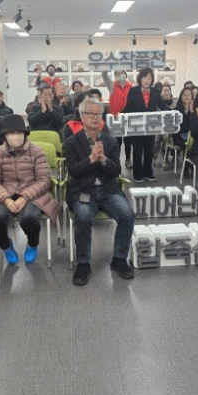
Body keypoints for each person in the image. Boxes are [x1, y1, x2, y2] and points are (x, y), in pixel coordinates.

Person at [63, 97, 136, 286]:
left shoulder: (110, 141)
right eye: (91, 113)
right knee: (83, 217)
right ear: (81, 116)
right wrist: (91, 159)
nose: (95, 117)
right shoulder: (71, 142)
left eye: (99, 114)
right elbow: (74, 171)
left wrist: (103, 160)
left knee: (127, 215)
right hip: (83, 190)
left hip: (108, 189)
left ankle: (119, 259)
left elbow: (116, 171)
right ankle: (83, 263)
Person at [0, 115, 57, 265]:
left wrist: (24, 197)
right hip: (5, 193)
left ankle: (32, 244)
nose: (16, 136)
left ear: (25, 133)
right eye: (11, 133)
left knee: (29, 218)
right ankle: (6, 246)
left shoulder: (36, 151)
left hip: (32, 193)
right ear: (4, 135)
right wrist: (6, 199)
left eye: (19, 132)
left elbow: (44, 180)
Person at [123, 67, 171, 183]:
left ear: (152, 79)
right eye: (144, 77)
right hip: (136, 126)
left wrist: (172, 111)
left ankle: (148, 173)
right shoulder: (133, 91)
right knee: (137, 150)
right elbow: (128, 107)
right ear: (140, 78)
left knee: (149, 150)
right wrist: (120, 116)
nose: (146, 80)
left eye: (149, 78)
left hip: (150, 126)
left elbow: (162, 105)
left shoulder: (155, 92)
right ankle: (138, 175)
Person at [102, 70, 133, 168]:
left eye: (122, 73)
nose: (120, 75)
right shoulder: (112, 85)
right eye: (118, 74)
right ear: (115, 76)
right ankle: (116, 160)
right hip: (115, 119)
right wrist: (106, 67)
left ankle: (128, 159)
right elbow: (104, 76)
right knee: (117, 141)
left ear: (126, 75)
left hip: (128, 118)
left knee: (128, 141)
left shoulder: (131, 86)